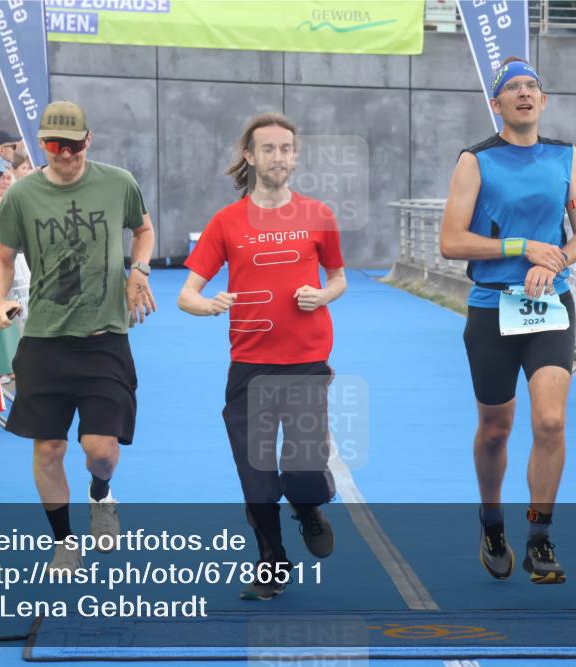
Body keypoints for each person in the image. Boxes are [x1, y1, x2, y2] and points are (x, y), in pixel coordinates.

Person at [438, 57, 576, 585]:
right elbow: (450, 241)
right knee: (495, 430)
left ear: (543, 101)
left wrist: (555, 260)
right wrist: (521, 247)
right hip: (492, 308)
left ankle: (539, 536)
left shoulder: (565, 156)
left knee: (550, 422)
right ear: (497, 104)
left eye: (532, 86)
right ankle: (491, 521)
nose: (524, 93)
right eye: (513, 88)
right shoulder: (475, 161)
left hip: (549, 304)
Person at [178, 112, 347, 601]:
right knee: (256, 476)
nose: (279, 156)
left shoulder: (318, 215)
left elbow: (338, 278)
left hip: (307, 364)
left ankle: (308, 505)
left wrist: (323, 295)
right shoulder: (226, 222)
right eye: (268, 148)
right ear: (249, 157)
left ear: (295, 156)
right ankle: (272, 561)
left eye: (286, 148)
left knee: (304, 472)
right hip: (250, 367)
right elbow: (186, 294)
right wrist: (208, 305)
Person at [0, 101, 156, 572]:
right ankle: (63, 541)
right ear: (42, 144)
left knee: (101, 452)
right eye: (56, 146)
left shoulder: (118, 182)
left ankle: (101, 495)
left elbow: (143, 230)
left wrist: (139, 270)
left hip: (104, 339)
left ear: (89, 140)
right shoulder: (22, 195)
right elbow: (2, 259)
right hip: (45, 339)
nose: (66, 154)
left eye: (75, 145)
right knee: (49, 449)